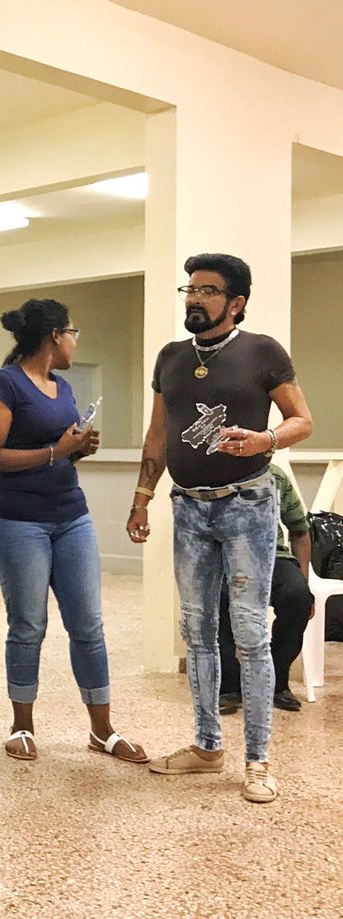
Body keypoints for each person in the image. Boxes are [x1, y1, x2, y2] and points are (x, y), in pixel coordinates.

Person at [130, 253, 313, 803]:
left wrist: (267, 440)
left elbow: (304, 420)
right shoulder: (171, 357)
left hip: (247, 506)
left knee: (252, 633)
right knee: (196, 630)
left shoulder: (262, 352)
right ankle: (207, 747)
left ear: (236, 303)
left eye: (208, 290)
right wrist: (142, 497)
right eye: (190, 288)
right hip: (188, 508)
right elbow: (158, 435)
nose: (194, 298)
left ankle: (257, 761)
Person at [0, 299, 148, 767]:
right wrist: (57, 451)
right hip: (18, 521)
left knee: (88, 625)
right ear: (55, 335)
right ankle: (22, 727)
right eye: (73, 332)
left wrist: (77, 449)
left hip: (71, 515)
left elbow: (59, 448)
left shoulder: (64, 386)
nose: (76, 341)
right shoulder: (4, 383)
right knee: (29, 625)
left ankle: (103, 730)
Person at [218, 464, 314, 714]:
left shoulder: (277, 476)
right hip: (227, 559)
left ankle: (276, 681)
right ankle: (229, 686)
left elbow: (299, 530)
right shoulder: (213, 476)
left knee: (298, 596)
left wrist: (304, 579)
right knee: (215, 598)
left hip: (274, 557)